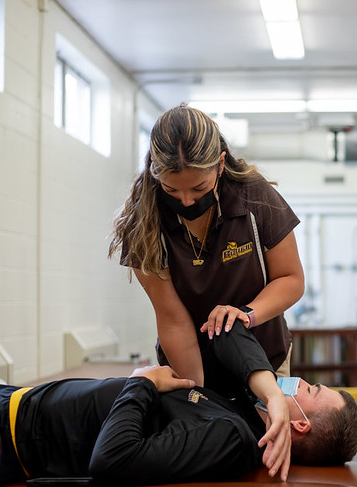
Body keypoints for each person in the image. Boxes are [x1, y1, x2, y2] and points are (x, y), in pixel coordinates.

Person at [0, 323, 357, 487]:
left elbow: (111, 461)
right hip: (6, 405)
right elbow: (223, 330)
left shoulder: (230, 437)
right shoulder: (244, 408)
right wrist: (270, 393)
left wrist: (142, 384)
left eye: (309, 390)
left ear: (300, 425)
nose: (301, 380)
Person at [109, 103, 305, 395]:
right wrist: (197, 397)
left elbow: (291, 280)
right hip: (190, 362)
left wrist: (246, 314)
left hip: (266, 356)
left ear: (220, 164)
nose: (186, 201)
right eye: (172, 190)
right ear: (155, 174)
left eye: (199, 188)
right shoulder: (144, 222)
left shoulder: (255, 197)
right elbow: (173, 320)